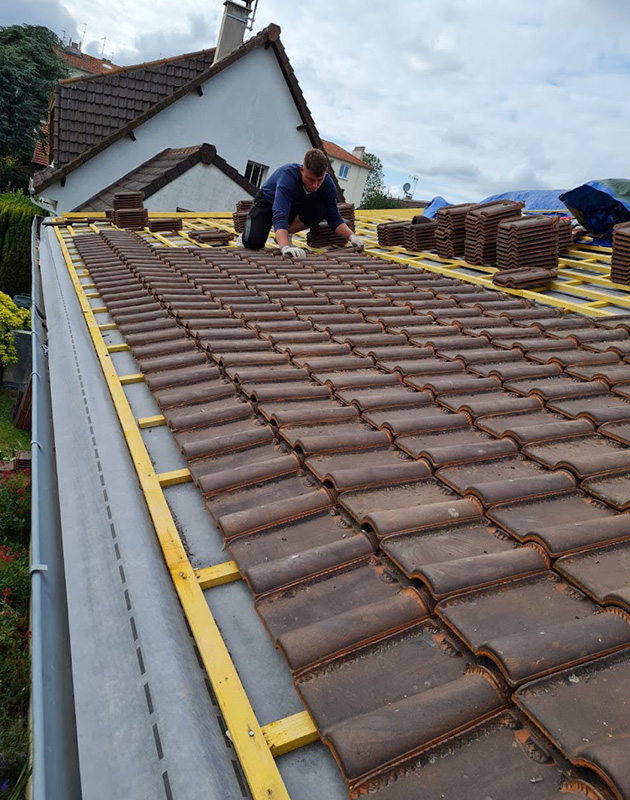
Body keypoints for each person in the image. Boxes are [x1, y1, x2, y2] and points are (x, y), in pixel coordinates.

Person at [241, 148, 366, 257]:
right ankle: (257, 236)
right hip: (267, 204)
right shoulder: (288, 177)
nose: (315, 185)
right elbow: (280, 214)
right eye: (310, 179)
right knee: (253, 243)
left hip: (295, 206)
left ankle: (286, 234)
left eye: (319, 180)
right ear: (302, 170)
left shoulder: (327, 184)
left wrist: (352, 237)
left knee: (321, 209)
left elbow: (334, 217)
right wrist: (285, 248)